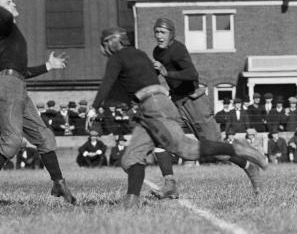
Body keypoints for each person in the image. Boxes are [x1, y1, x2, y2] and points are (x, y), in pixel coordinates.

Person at [87, 27, 267, 207]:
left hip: (161, 107)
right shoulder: (141, 54)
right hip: (156, 106)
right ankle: (137, 198)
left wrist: (94, 108)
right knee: (131, 158)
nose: (104, 49)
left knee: (187, 150)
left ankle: (237, 149)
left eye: (105, 43)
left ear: (113, 41)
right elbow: (141, 82)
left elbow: (108, 82)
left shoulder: (118, 57)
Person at [0, 0, 77, 206]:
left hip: (19, 86)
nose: (13, 4)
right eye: (7, 2)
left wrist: (48, 66)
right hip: (7, 87)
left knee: (45, 137)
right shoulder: (3, 27)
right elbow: (5, 15)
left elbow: (22, 71)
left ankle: (59, 183)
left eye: (12, 1)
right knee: (13, 140)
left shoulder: (15, 34)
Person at [149, 17, 262, 198]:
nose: (159, 36)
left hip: (195, 103)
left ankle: (249, 165)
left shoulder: (177, 49)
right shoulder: (157, 52)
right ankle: (170, 184)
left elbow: (192, 74)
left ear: (171, 34)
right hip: (177, 103)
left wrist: (166, 72)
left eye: (163, 32)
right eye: (157, 32)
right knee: (160, 136)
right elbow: (163, 75)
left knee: (218, 153)